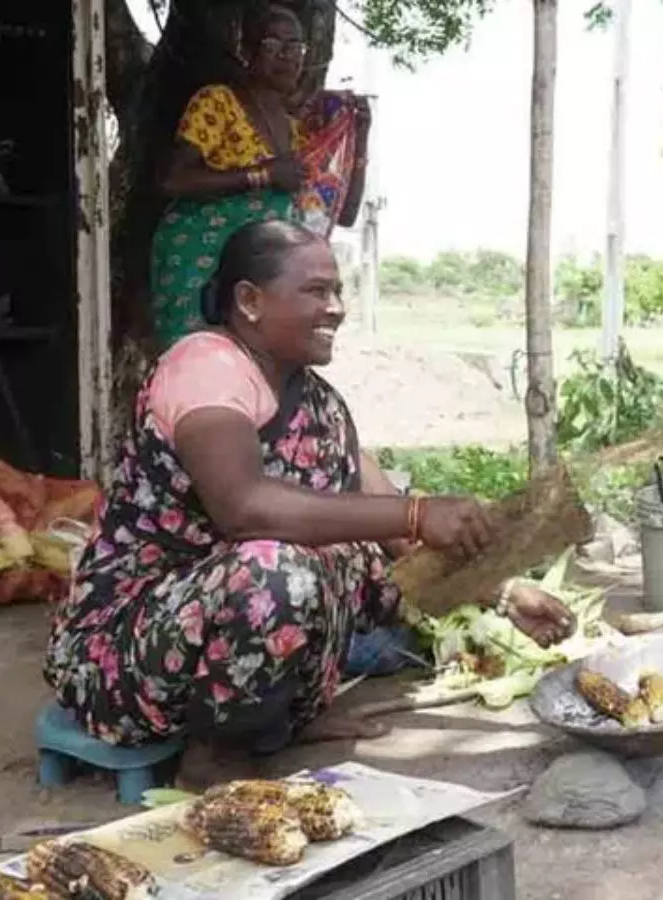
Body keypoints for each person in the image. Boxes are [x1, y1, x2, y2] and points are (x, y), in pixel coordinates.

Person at [44, 220, 575, 756]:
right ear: (249, 300)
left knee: (360, 566)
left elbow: (401, 537)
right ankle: (214, 766)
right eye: (316, 291)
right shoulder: (204, 366)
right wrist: (416, 511)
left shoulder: (320, 406)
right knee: (278, 571)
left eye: (338, 291)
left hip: (222, 651)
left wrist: (506, 595)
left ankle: (273, 722)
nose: (337, 307)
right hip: (127, 657)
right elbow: (243, 507)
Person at [150, 4, 372, 350]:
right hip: (198, 269)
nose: (287, 56)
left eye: (295, 47)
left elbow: (342, 214)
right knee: (202, 367)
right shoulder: (217, 103)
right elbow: (173, 180)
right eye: (273, 45)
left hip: (260, 283)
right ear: (246, 50)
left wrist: (360, 135)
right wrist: (263, 175)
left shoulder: (299, 133)